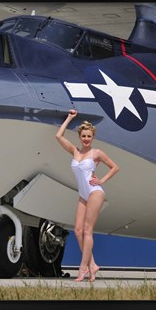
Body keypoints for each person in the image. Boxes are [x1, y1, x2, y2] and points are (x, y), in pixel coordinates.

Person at [56, 110, 119, 282]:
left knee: (87, 231)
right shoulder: (75, 152)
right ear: (80, 136)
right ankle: (93, 265)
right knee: (77, 231)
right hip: (83, 195)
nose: (86, 139)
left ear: (92, 137)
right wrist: (69, 118)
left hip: (94, 192)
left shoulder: (96, 153)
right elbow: (59, 136)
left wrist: (101, 181)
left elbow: (115, 167)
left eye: (89, 136)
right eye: (83, 136)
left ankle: (83, 268)